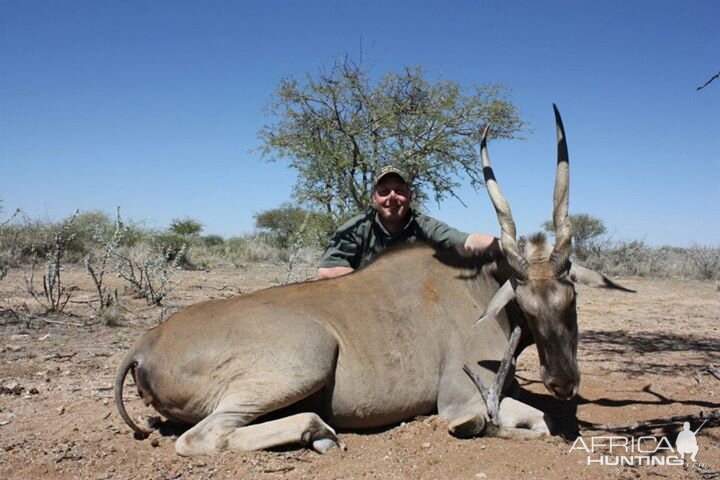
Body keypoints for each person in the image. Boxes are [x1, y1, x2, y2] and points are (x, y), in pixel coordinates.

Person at [317, 166, 499, 279]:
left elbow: (467, 241)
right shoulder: (355, 228)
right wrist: (380, 281)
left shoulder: (424, 225)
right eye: (384, 191)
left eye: (399, 190)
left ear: (410, 195)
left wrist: (503, 245)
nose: (392, 197)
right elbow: (327, 270)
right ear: (374, 198)